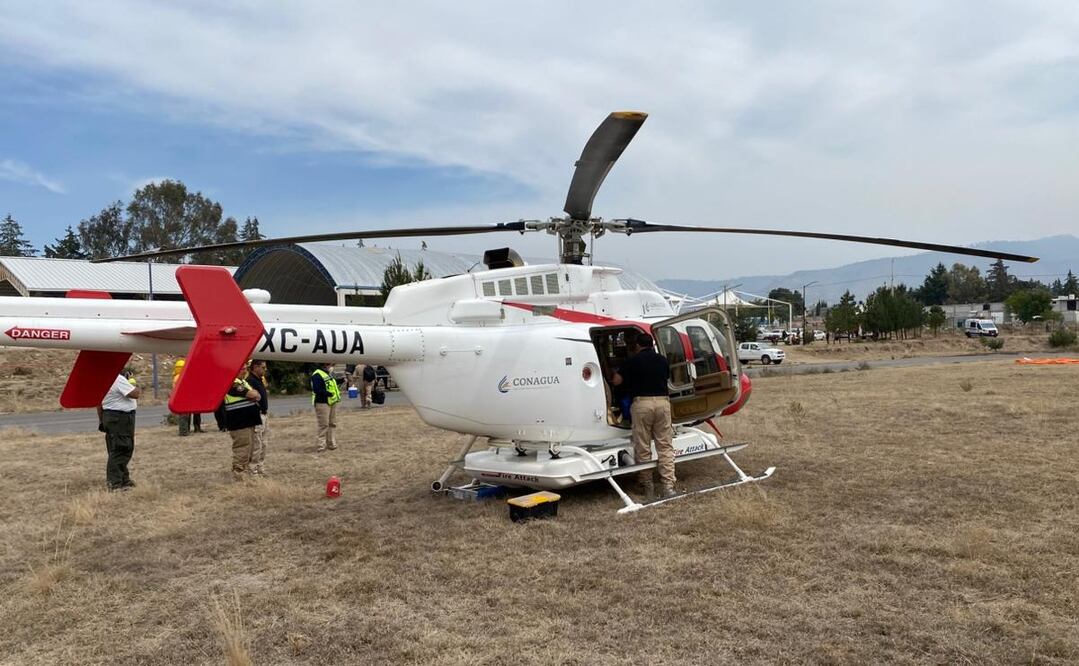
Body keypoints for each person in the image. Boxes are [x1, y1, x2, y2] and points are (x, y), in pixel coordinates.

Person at [612, 332, 677, 499]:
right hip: (663, 403)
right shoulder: (662, 359)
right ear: (652, 344)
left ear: (637, 345)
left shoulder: (632, 361)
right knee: (665, 445)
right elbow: (667, 378)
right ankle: (668, 485)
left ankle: (647, 485)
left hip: (642, 404)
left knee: (643, 445)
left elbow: (617, 381)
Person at [97, 367, 140, 491]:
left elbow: (98, 403)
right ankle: (115, 483)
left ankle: (123, 479)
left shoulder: (103, 380)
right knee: (122, 449)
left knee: (116, 448)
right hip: (121, 418)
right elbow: (135, 394)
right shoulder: (118, 379)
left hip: (109, 416)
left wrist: (101, 420)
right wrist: (132, 381)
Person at [223, 365, 261, 481]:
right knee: (242, 448)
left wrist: (253, 394)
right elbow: (253, 394)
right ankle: (238, 475)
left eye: (245, 368)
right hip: (239, 421)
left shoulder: (243, 382)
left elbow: (257, 395)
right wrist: (252, 394)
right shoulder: (231, 382)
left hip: (248, 421)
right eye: (242, 368)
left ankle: (245, 473)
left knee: (250, 449)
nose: (245, 370)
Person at [246, 360, 270, 476]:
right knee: (257, 443)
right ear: (255, 367)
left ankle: (260, 466)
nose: (265, 370)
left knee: (264, 443)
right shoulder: (250, 381)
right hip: (257, 415)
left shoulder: (259, 380)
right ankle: (252, 469)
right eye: (263, 367)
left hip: (264, 414)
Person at [311, 362, 341, 452]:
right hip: (322, 402)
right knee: (323, 425)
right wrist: (328, 394)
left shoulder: (328, 374)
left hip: (332, 401)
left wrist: (342, 381)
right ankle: (321, 445)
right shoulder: (317, 375)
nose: (332, 367)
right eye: (331, 365)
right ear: (325, 365)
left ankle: (331, 443)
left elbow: (331, 385)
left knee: (332, 423)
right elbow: (317, 389)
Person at [172, 358, 202, 436]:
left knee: (185, 415)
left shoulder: (176, 376)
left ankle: (186, 430)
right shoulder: (181, 376)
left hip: (181, 398)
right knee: (185, 415)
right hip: (185, 398)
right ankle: (185, 431)